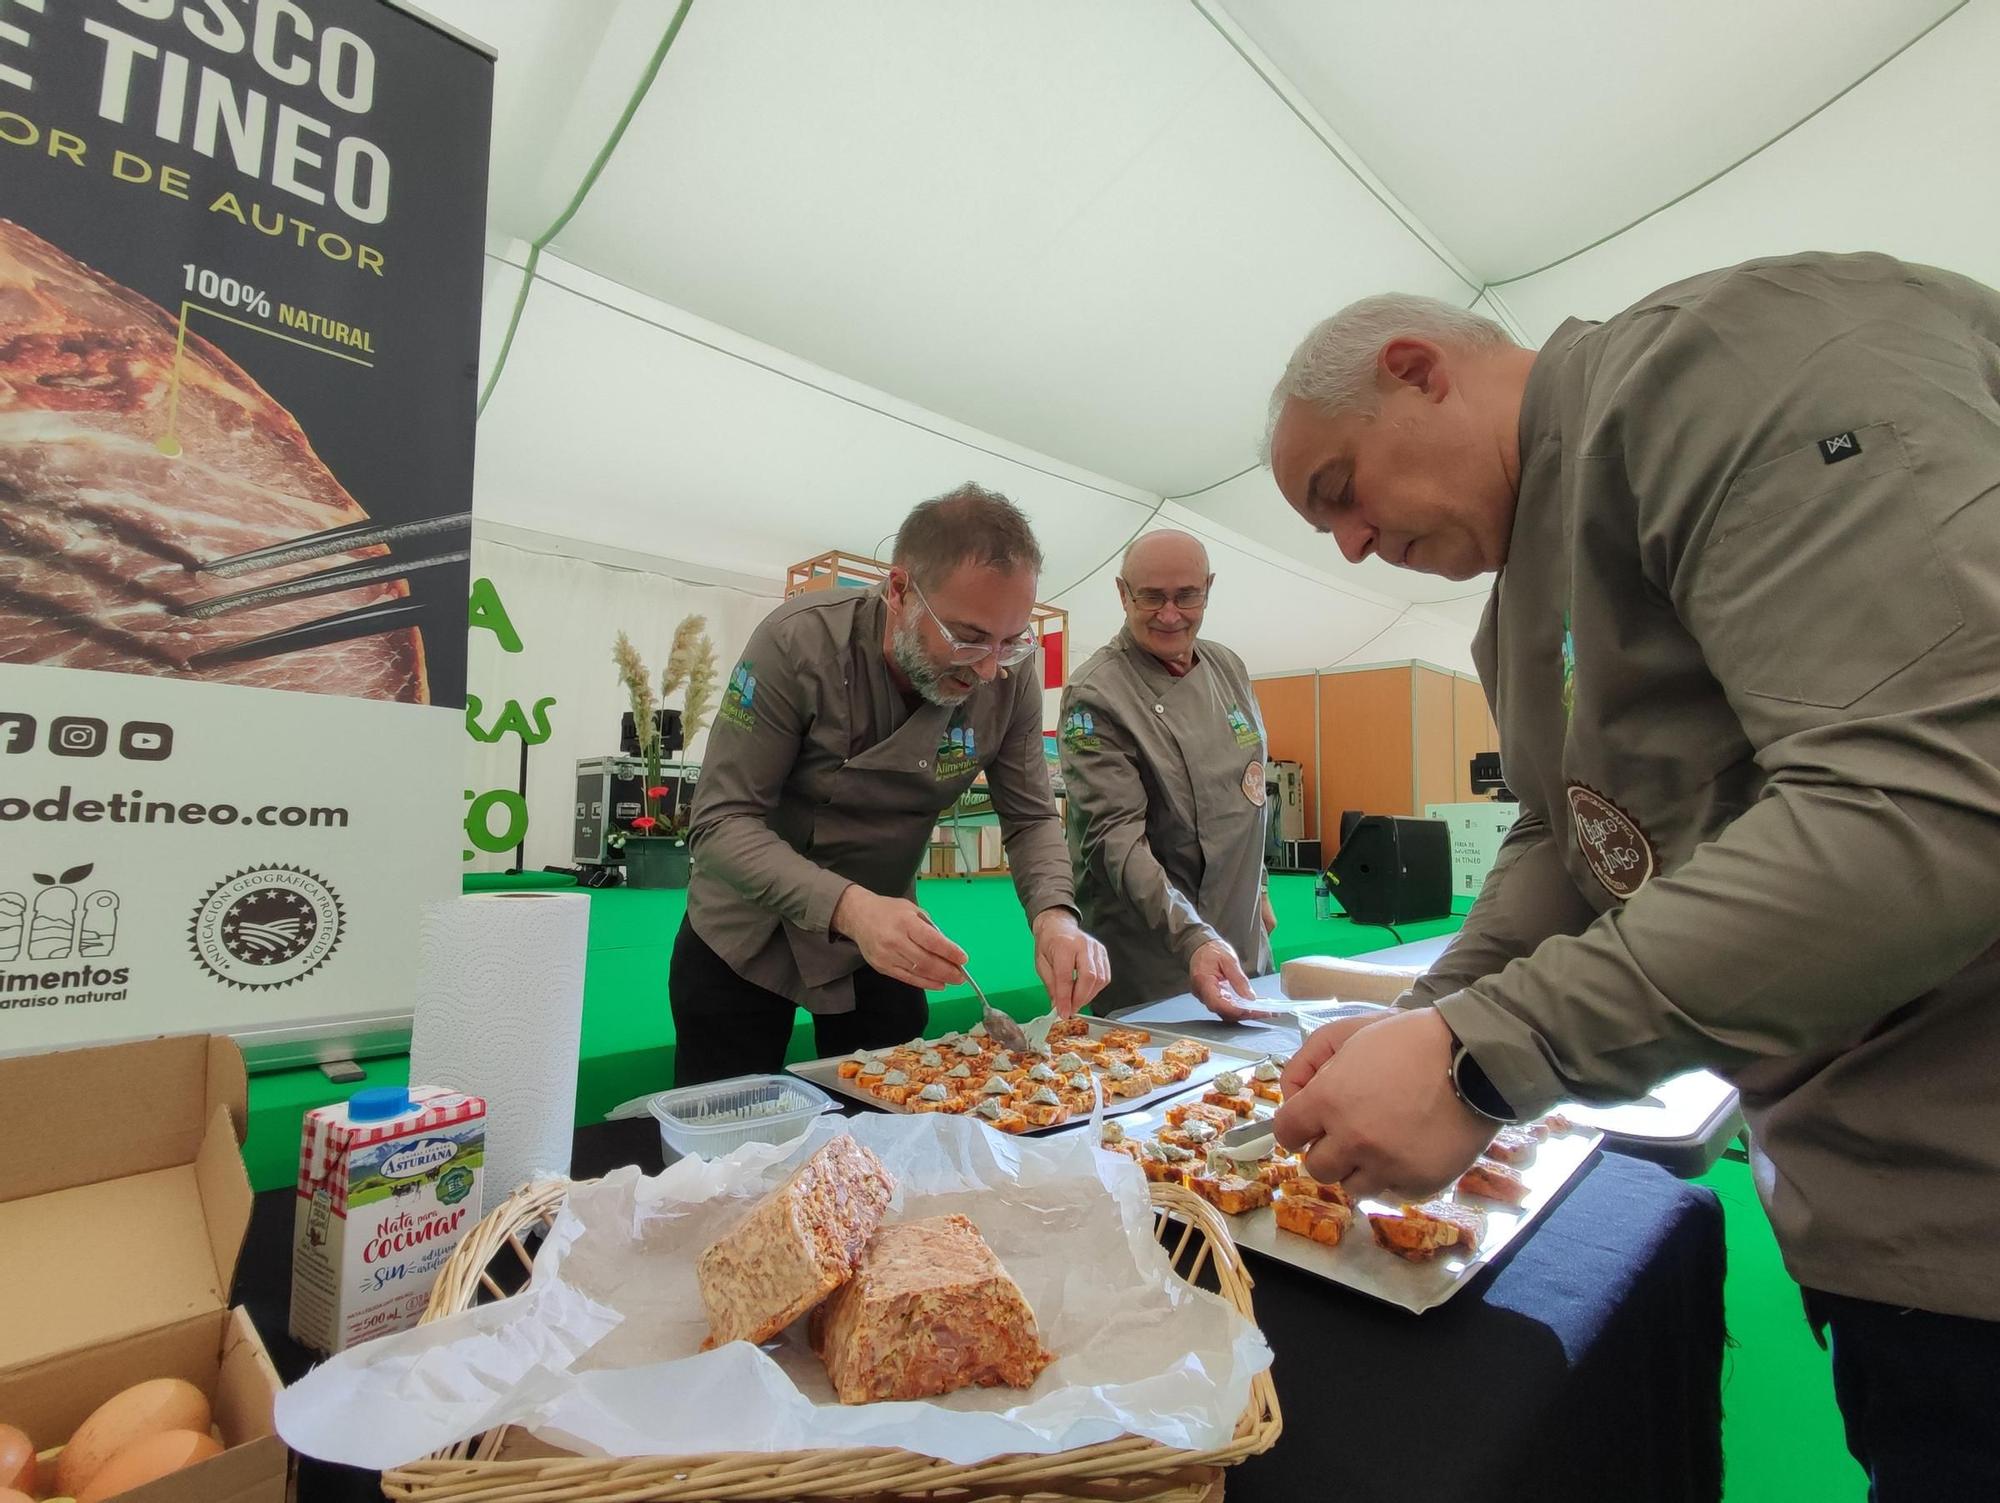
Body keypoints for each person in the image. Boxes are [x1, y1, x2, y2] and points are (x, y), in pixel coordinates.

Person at [1261, 254, 2000, 1498]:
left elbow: (1930, 794)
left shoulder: (1708, 367)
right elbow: (1567, 838)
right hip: (1890, 1227)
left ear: (1416, 371)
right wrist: (1434, 1013)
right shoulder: (1517, 610)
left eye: (1337, 489)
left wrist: (1482, 1055)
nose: (1346, 545)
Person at [672, 484, 1111, 1085]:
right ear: (899, 591)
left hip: (889, 936)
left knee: (893, 1131)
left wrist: (1056, 916)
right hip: (747, 927)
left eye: (1011, 641)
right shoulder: (798, 643)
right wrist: (850, 907)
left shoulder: (1009, 673)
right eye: (967, 636)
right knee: (725, 1156)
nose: (988, 669)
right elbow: (720, 824)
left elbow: (1031, 817)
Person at [1058, 530, 1276, 1018]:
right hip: (1155, 944)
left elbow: (1250, 788)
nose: (1171, 614)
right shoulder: (1096, 694)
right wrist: (1192, 935)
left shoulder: (1228, 666)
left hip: (1239, 931)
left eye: (1187, 596)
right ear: (1122, 594)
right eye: (1152, 597)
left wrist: (1257, 887)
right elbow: (1114, 840)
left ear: (1208, 588)